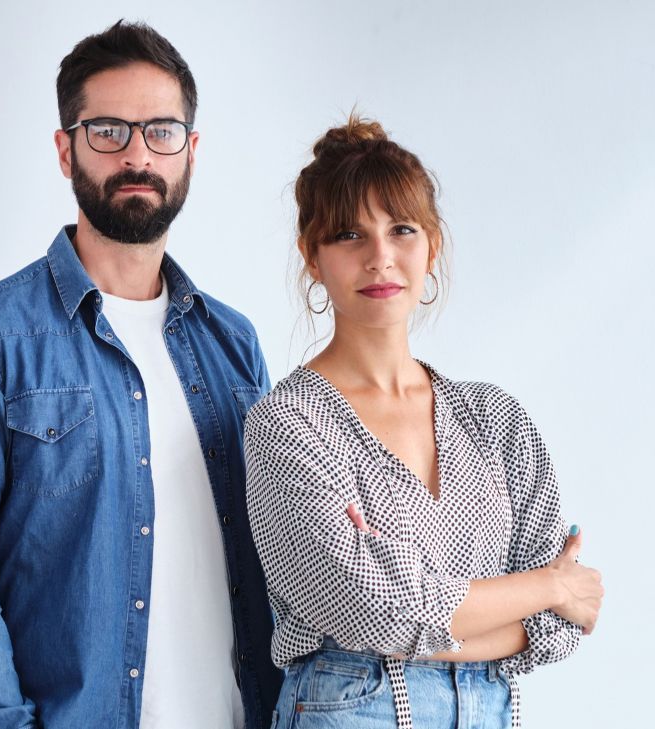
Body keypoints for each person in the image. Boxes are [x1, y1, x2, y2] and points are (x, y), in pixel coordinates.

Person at [0, 20, 281, 729]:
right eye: (108, 129)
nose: (137, 154)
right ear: (65, 148)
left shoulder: (234, 344)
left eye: (161, 131)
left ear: (191, 151)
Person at [244, 116, 604, 729]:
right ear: (313, 257)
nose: (380, 258)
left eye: (402, 230)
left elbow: (563, 629)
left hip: (493, 710)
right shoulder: (289, 421)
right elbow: (366, 603)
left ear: (431, 246)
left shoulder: (496, 420)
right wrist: (545, 586)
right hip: (352, 710)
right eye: (350, 235)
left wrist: (413, 617)